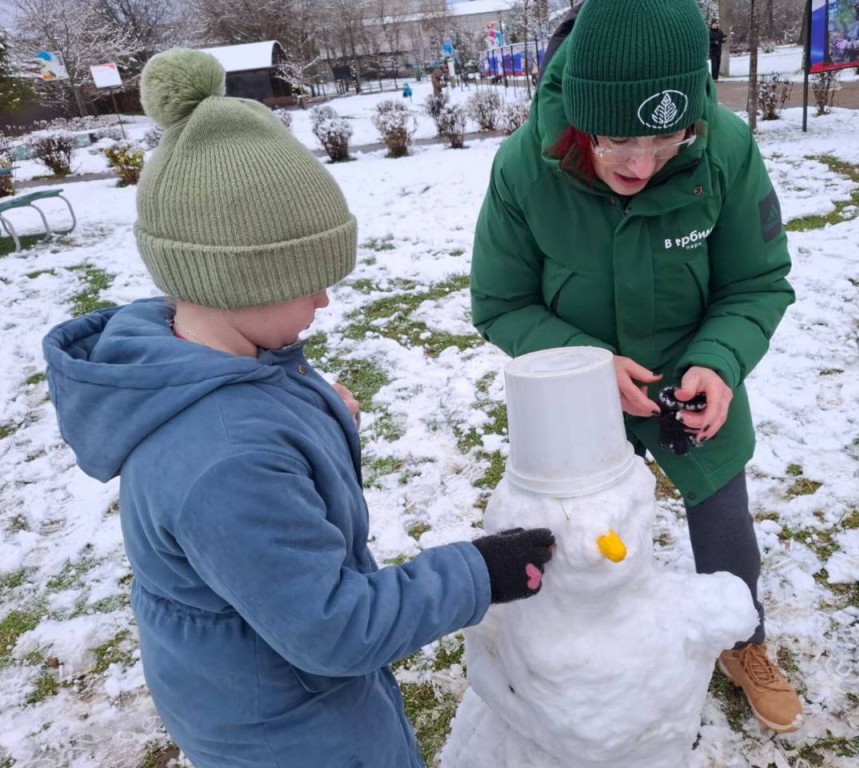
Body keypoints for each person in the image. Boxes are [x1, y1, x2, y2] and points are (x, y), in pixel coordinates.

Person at [42, 48, 555, 768]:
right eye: (306, 279)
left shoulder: (208, 362)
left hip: (270, 681)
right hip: (284, 731)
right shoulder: (225, 462)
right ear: (234, 280)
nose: (323, 299)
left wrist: (308, 408)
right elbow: (335, 629)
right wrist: (477, 572)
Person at [470, 0, 802, 735]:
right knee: (579, 535)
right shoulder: (525, 166)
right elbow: (498, 302)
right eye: (618, 138)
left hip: (693, 380)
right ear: (582, 115)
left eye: (667, 137)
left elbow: (757, 282)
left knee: (723, 519)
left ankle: (742, 642)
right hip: (573, 394)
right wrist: (588, 367)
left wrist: (719, 362)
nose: (642, 164)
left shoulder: (725, 151)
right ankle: (572, 662)